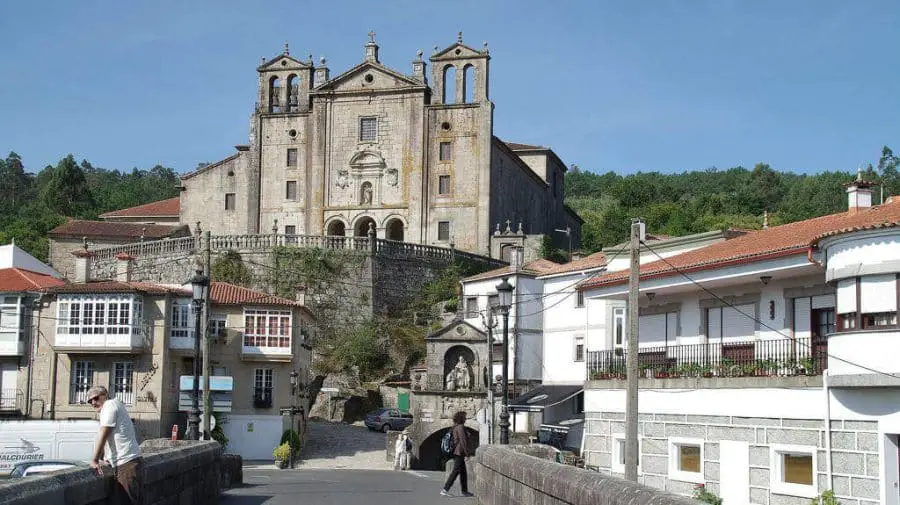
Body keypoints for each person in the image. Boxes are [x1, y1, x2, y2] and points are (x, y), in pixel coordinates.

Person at [87, 385, 142, 505]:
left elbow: (104, 432)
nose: (93, 403)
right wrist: (103, 458)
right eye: (90, 401)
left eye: (96, 398)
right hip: (126, 462)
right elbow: (109, 437)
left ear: (105, 395)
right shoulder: (115, 404)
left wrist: (95, 460)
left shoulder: (109, 405)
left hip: (125, 463)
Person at [441, 411, 474, 498]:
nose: (466, 419)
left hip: (457, 452)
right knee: (455, 472)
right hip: (459, 452)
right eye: (465, 417)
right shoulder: (460, 427)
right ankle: (445, 489)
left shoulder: (455, 427)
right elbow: (463, 441)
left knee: (463, 472)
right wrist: (467, 454)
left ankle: (464, 491)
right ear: (462, 418)